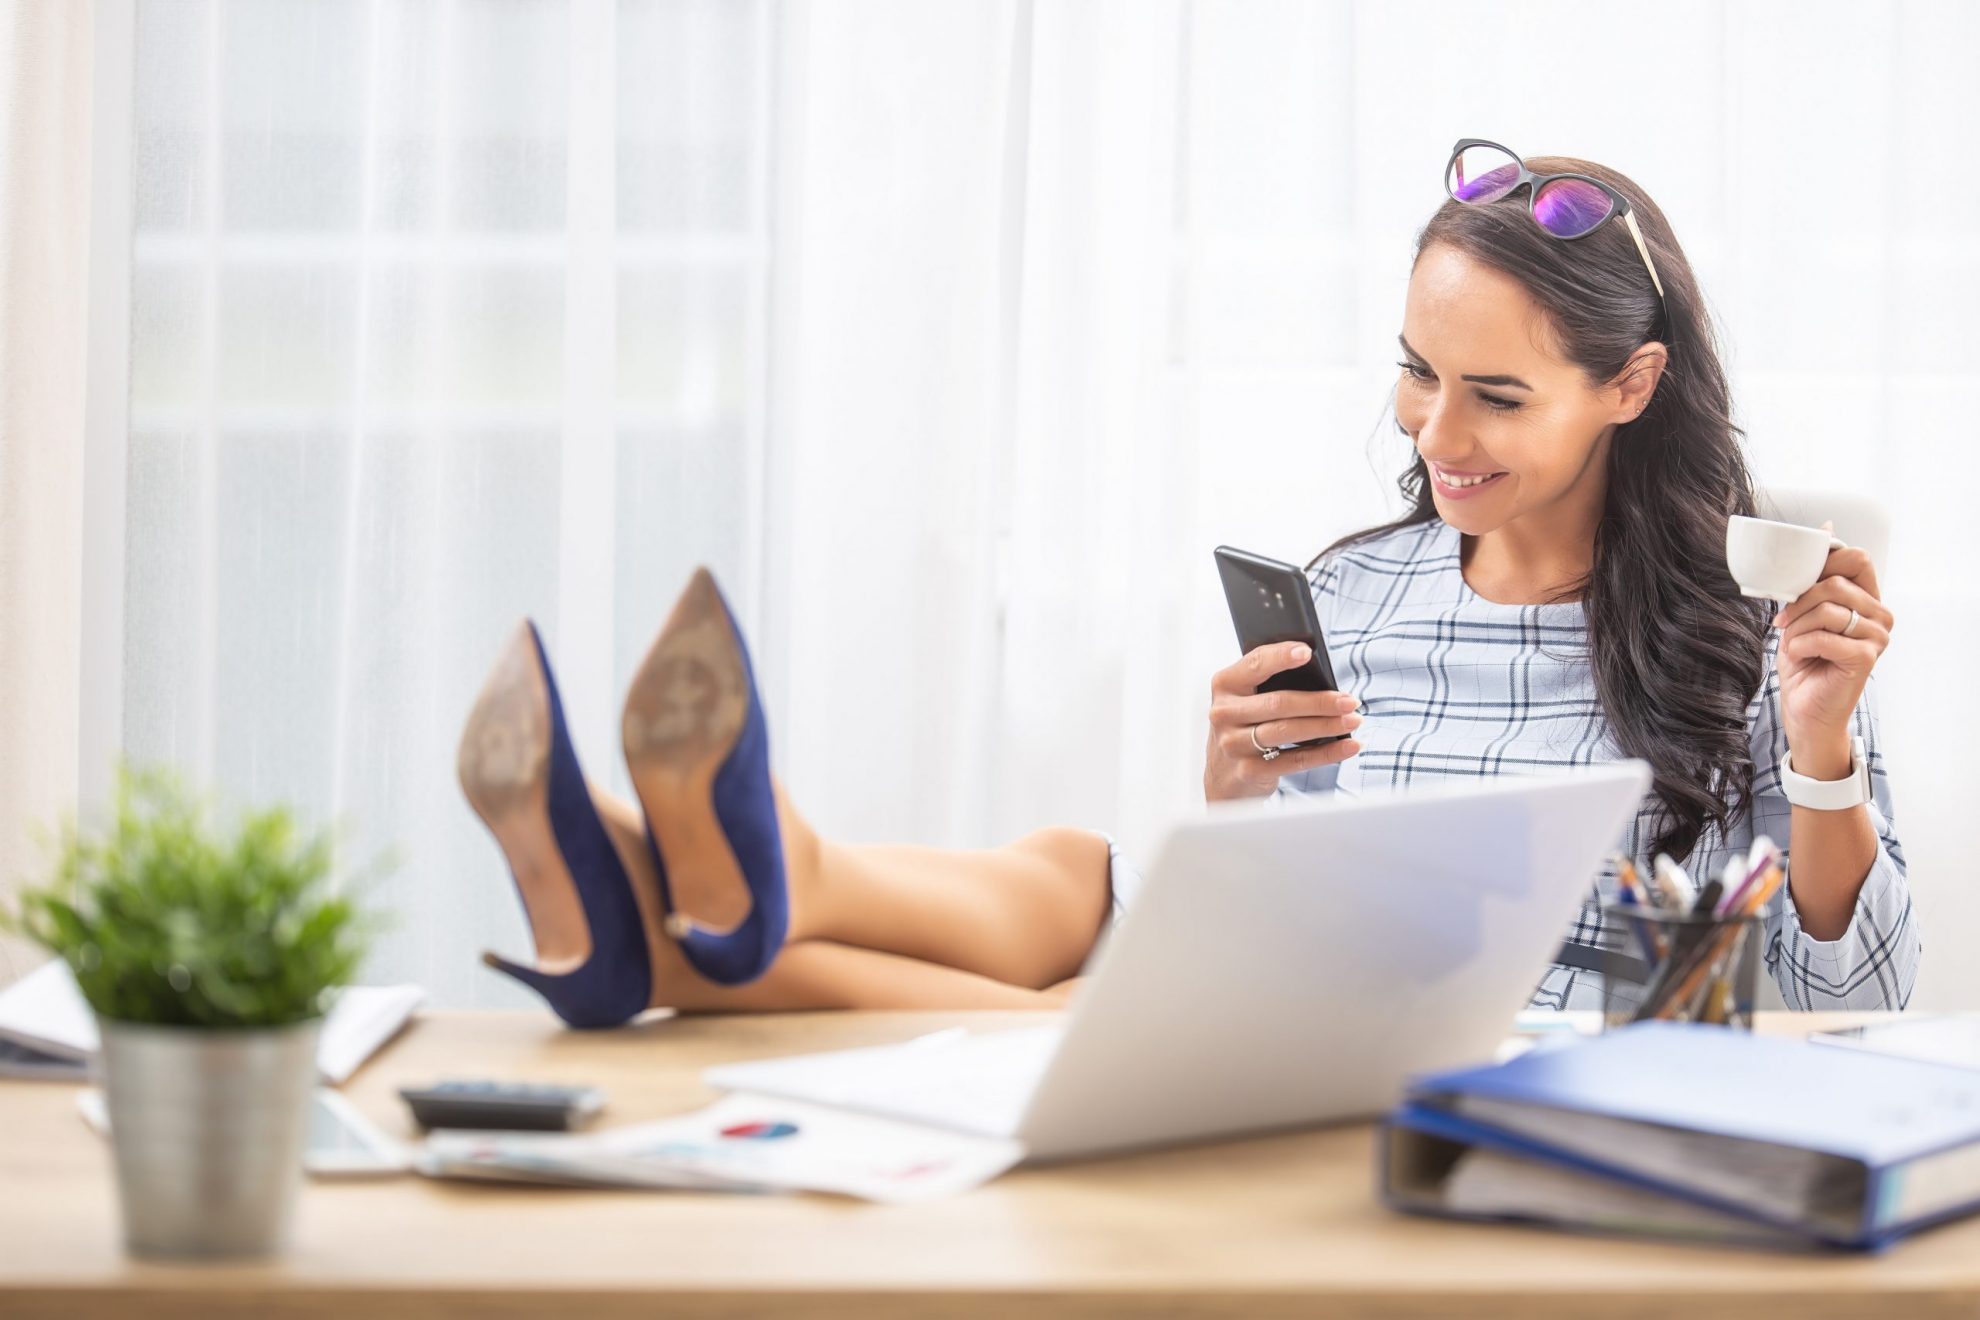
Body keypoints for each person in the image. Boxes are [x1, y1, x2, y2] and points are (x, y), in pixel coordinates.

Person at [460, 139, 1916, 1026]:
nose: (1436, 434)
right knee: (1076, 877)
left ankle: (680, 891)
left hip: (1454, 1058)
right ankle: (686, 916)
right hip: (1284, 987)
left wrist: (1820, 749)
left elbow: (1852, 997)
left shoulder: (1749, 642)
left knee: (1059, 1004)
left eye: (1496, 396)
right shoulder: (1357, 595)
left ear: (1630, 387)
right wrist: (1235, 801)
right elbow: (1273, 893)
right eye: (1417, 372)